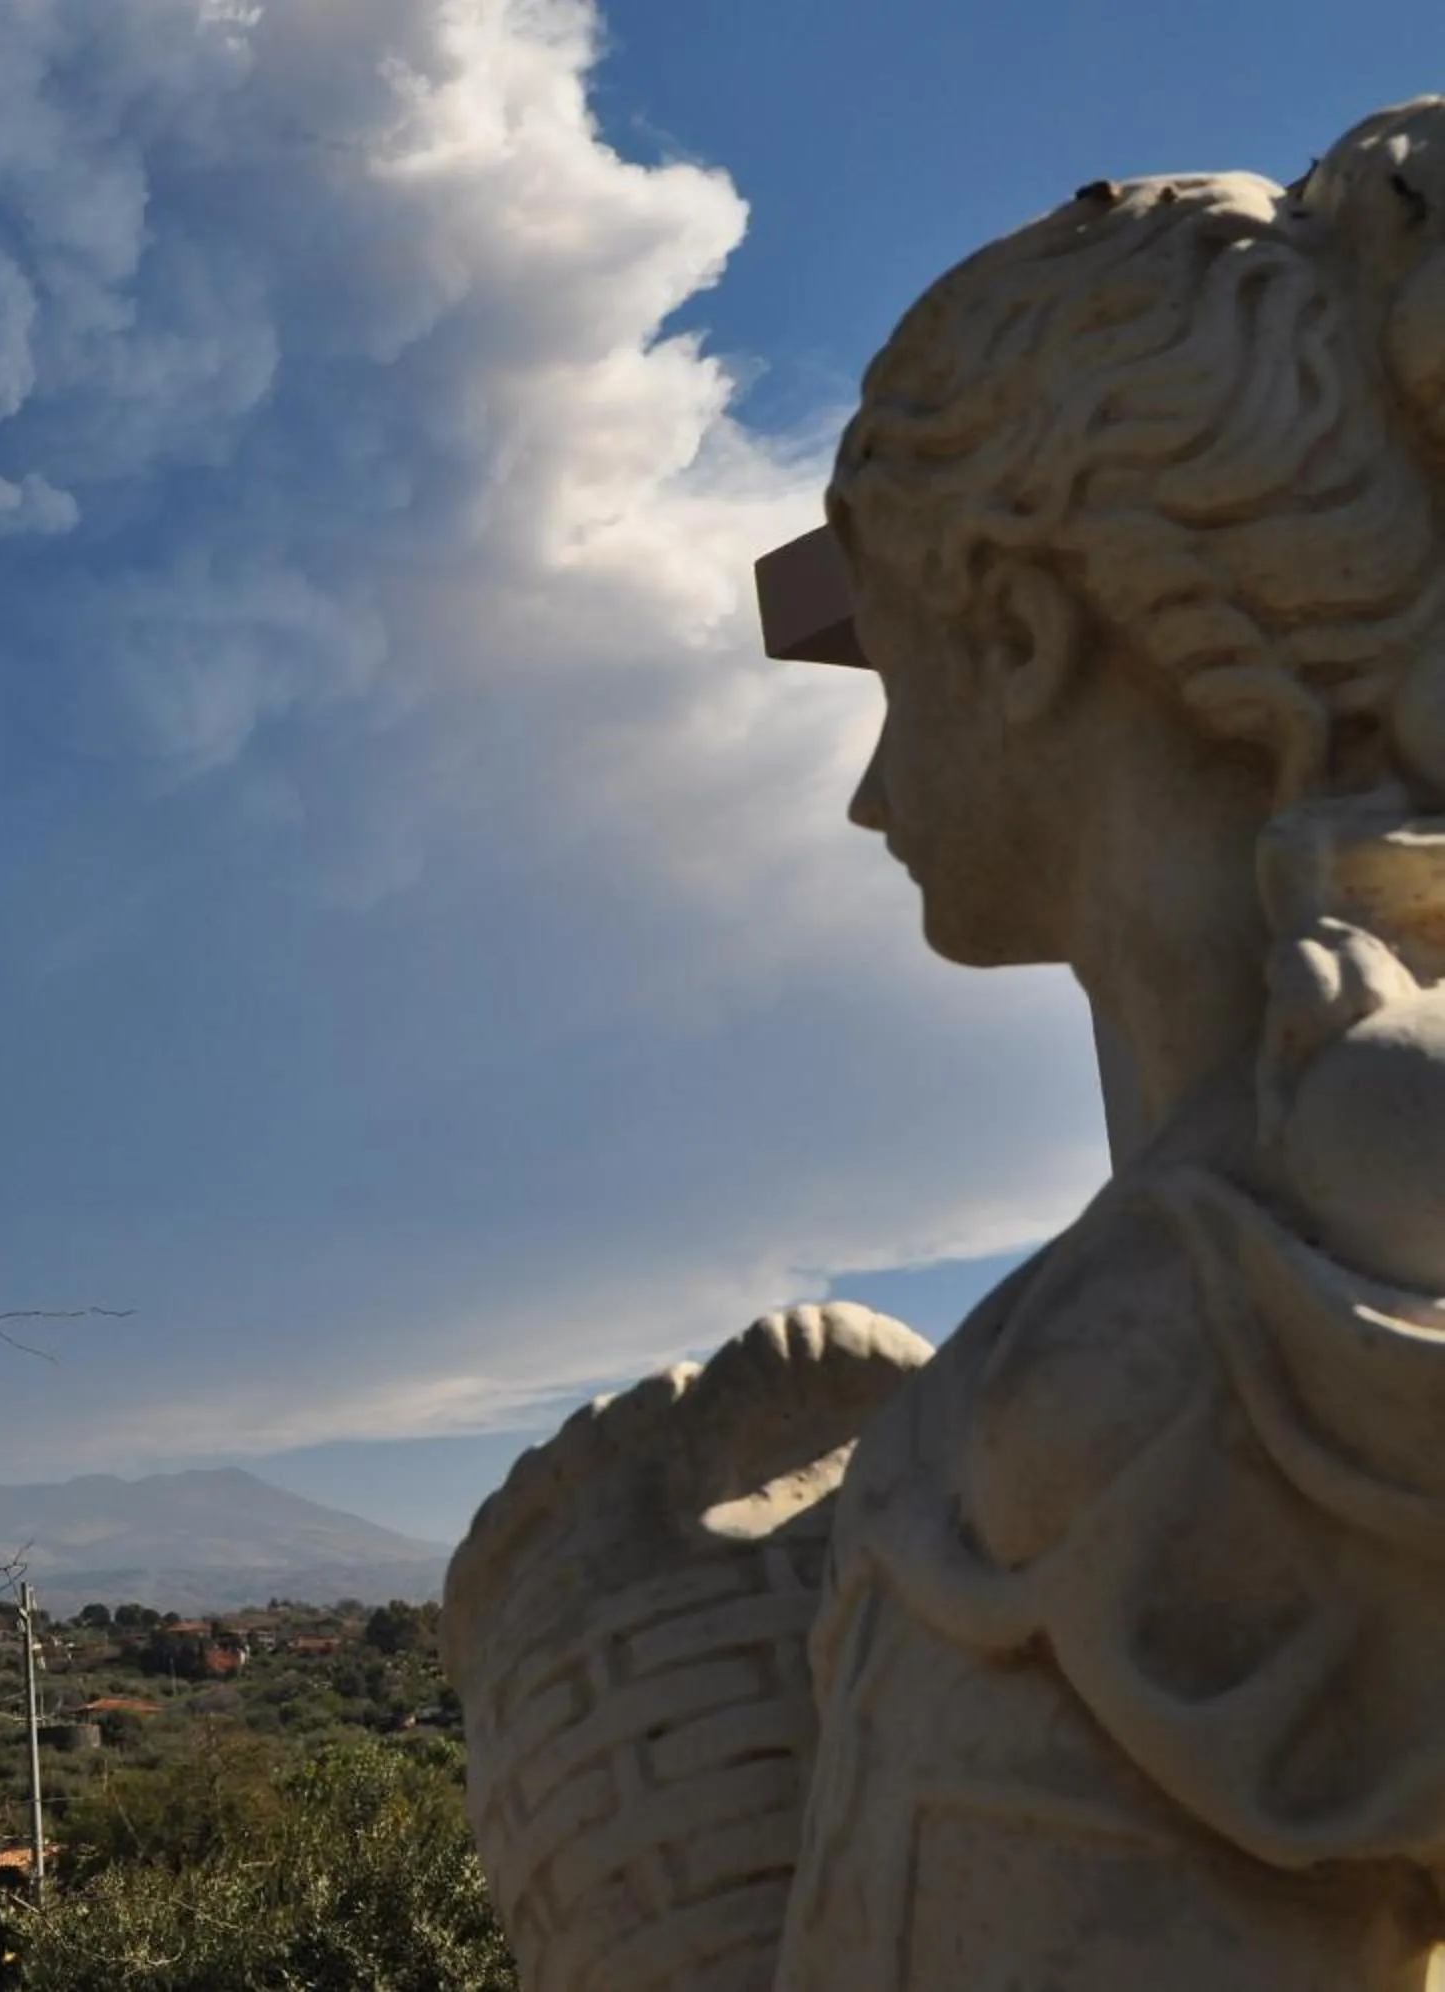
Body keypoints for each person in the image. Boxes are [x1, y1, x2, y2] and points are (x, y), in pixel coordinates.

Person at [772, 98, 1445, 1988]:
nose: (871, 790)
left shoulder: (1256, 1308)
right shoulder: (1267, 1238)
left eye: (890, 675)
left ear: (1008, 631)